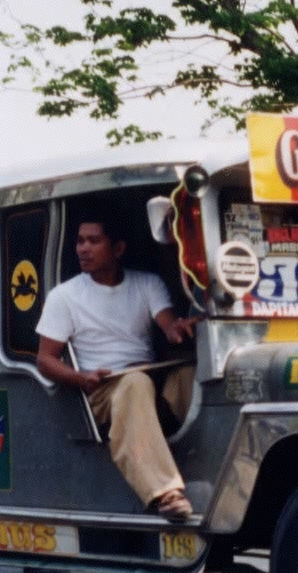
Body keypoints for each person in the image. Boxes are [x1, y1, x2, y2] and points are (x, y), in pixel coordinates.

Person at [35, 212, 197, 521]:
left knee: (190, 376)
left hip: (149, 379)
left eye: (94, 241)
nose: (83, 248)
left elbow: (169, 327)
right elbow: (45, 360)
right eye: (80, 241)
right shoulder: (64, 296)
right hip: (103, 390)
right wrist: (80, 377)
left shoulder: (147, 283)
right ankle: (165, 492)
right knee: (135, 383)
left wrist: (181, 329)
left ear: (118, 248)